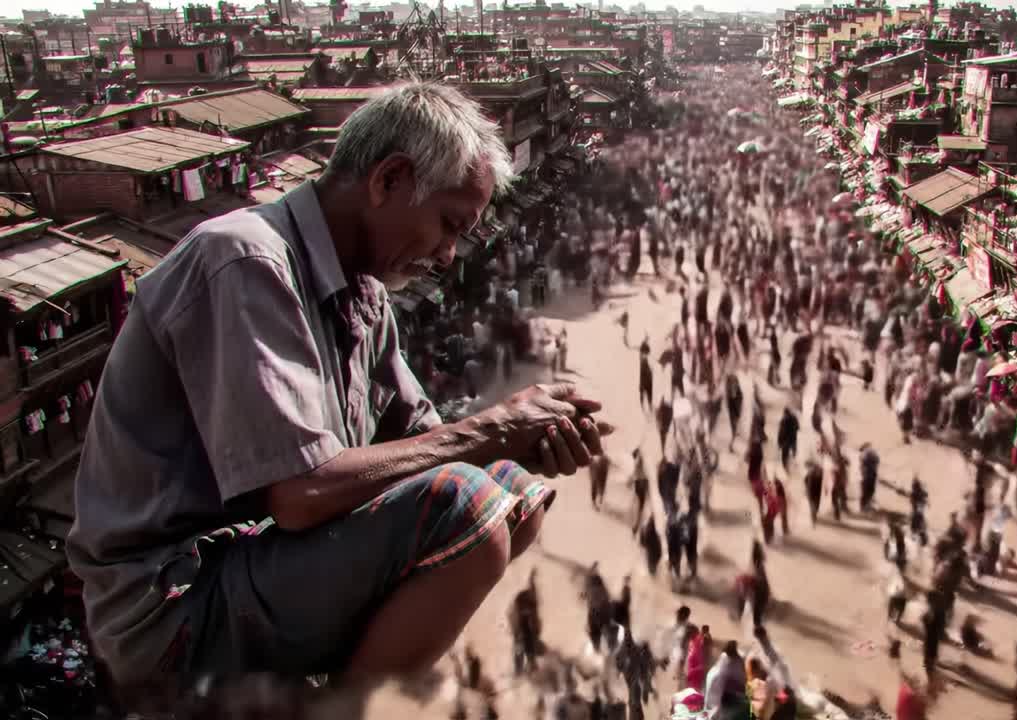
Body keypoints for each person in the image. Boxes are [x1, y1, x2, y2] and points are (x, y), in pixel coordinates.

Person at [67, 83, 612, 694]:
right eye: (449, 224)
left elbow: (422, 442)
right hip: (176, 602)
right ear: (390, 180)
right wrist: (490, 429)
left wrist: (518, 443)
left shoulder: (366, 298)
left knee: (511, 495)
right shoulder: (246, 260)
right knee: (464, 504)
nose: (449, 254)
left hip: (263, 566)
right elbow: (302, 493)